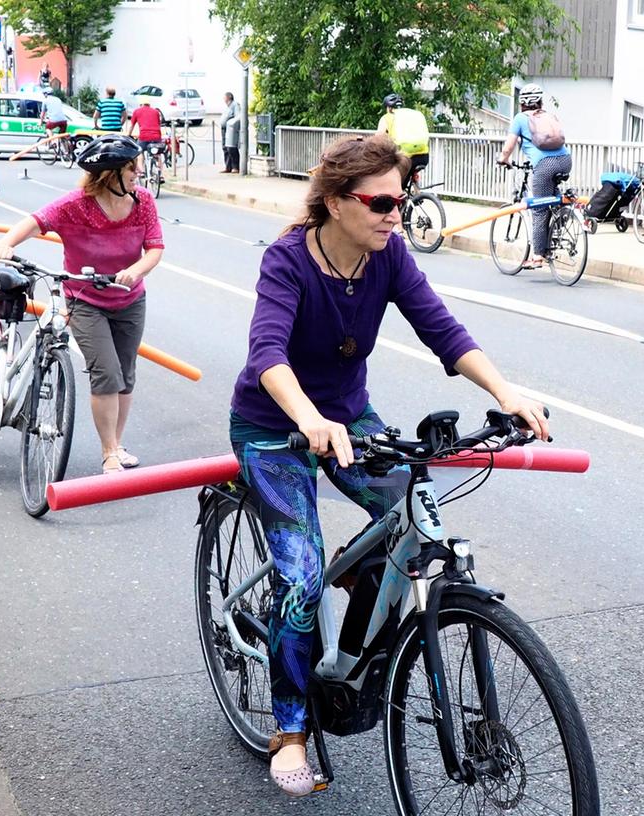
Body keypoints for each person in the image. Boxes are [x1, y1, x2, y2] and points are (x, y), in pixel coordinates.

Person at [228, 134, 549, 798]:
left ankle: (350, 652)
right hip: (272, 430)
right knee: (303, 577)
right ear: (338, 202)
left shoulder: (388, 255)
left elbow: (443, 329)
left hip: (350, 417)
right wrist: (308, 417)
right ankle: (291, 730)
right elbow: (266, 353)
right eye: (380, 202)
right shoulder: (288, 261)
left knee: (413, 518)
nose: (394, 213)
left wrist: (505, 392)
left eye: (401, 200)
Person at [0, 135, 163, 474]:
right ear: (109, 175)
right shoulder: (77, 204)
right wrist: (6, 243)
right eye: (132, 168)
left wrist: (134, 270)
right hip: (86, 298)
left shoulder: (142, 202)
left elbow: (155, 248)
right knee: (106, 372)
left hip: (130, 299)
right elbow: (36, 221)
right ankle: (109, 453)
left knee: (125, 374)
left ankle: (117, 442)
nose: (138, 173)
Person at [495, 84, 571, 268]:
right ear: (540, 101)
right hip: (566, 160)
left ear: (522, 102)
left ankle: (537, 258)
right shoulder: (549, 115)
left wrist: (502, 159)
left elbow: (508, 147)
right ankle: (561, 220)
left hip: (545, 165)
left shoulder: (520, 119)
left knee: (538, 209)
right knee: (551, 199)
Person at [374, 93, 430, 180]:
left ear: (389, 108)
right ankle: (418, 192)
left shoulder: (387, 117)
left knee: (389, 176)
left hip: (404, 158)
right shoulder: (413, 115)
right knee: (408, 176)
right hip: (423, 157)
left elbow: (378, 138)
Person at [126, 97, 164, 177]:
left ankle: (142, 171)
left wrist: (128, 135)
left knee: (139, 151)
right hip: (156, 136)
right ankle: (161, 175)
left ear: (141, 104)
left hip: (144, 136)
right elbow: (158, 124)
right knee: (157, 154)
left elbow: (132, 126)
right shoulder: (156, 111)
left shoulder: (137, 111)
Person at [220, 91, 241, 173]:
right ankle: (227, 167)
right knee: (225, 148)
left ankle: (235, 167)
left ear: (229, 97)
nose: (223, 99)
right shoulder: (227, 106)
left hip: (230, 129)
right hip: (224, 129)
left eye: (224, 97)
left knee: (231, 148)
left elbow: (238, 117)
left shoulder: (235, 105)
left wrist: (231, 124)